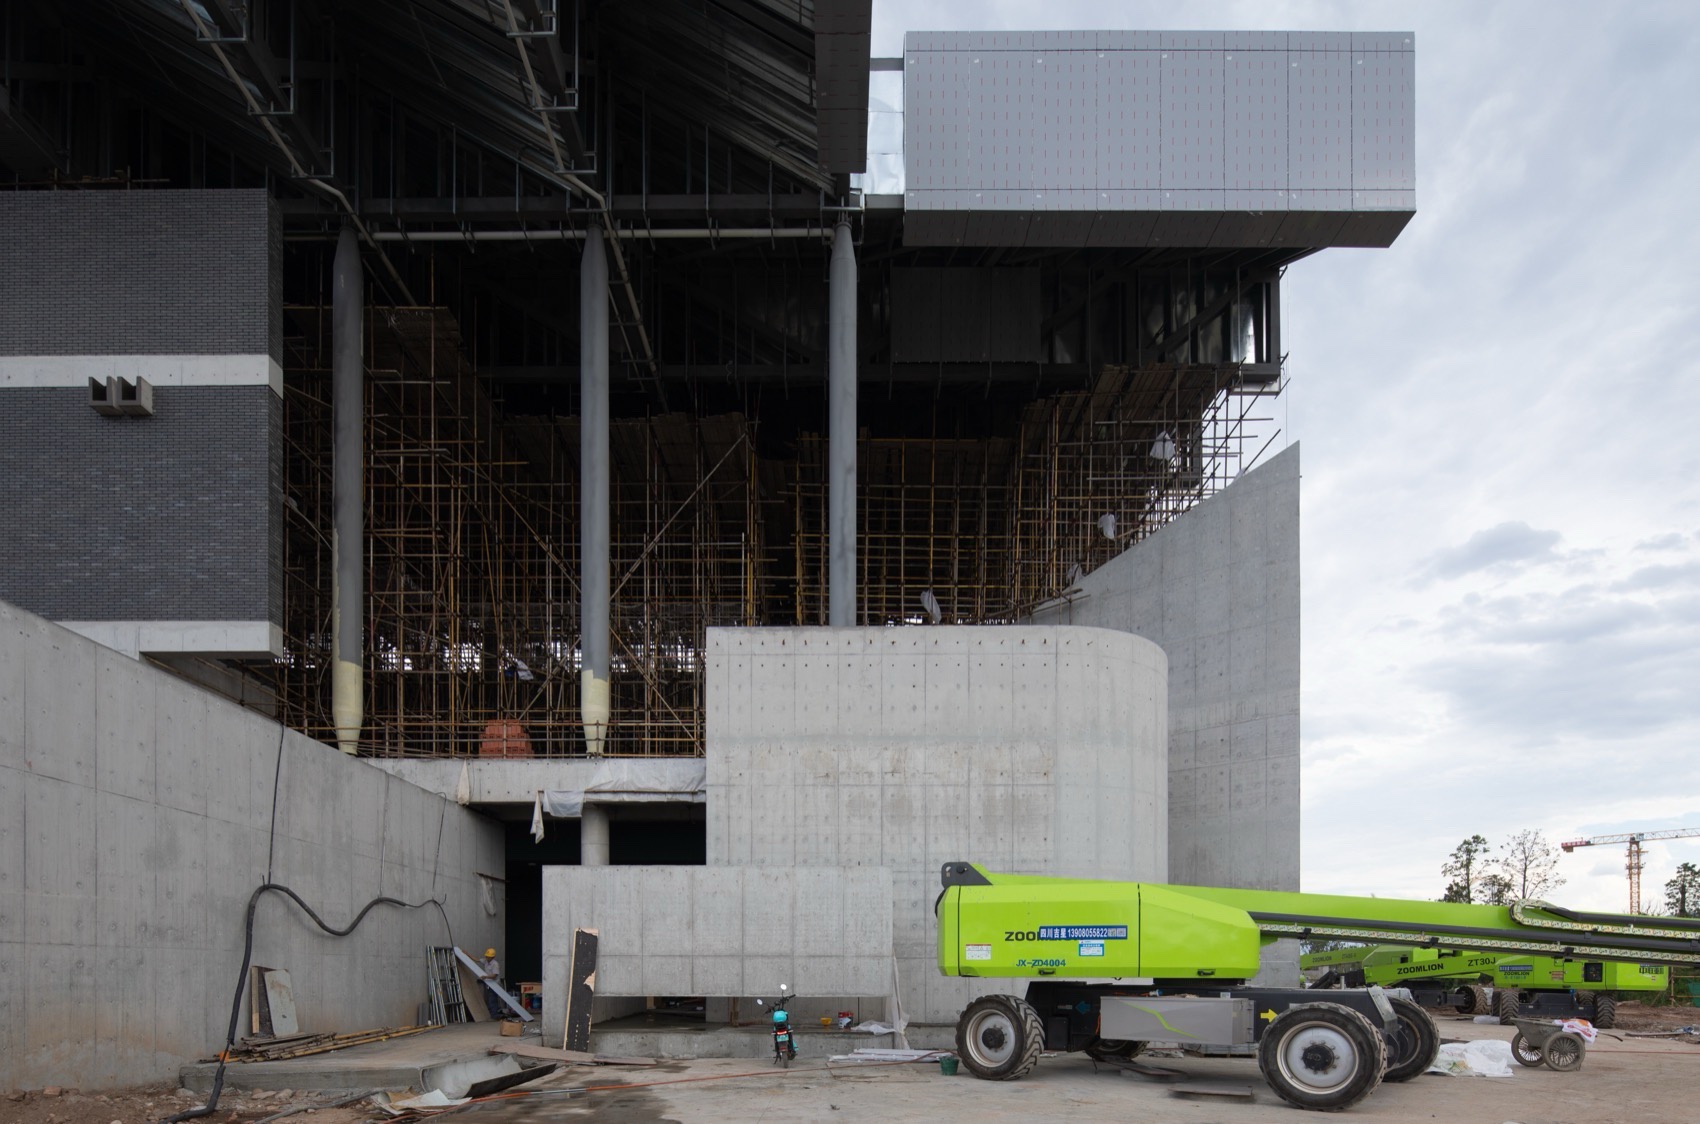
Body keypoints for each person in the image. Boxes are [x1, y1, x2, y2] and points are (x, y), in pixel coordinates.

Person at [478, 948, 505, 1019]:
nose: (487, 957)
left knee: (492, 999)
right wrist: (467, 954)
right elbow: (476, 960)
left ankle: (494, 1015)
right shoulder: (485, 961)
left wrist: (485, 977)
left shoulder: (495, 964)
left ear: (492, 957)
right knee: (492, 999)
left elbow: (494, 975)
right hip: (489, 984)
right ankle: (495, 1012)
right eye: (486, 956)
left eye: (488, 956)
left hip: (495, 984)